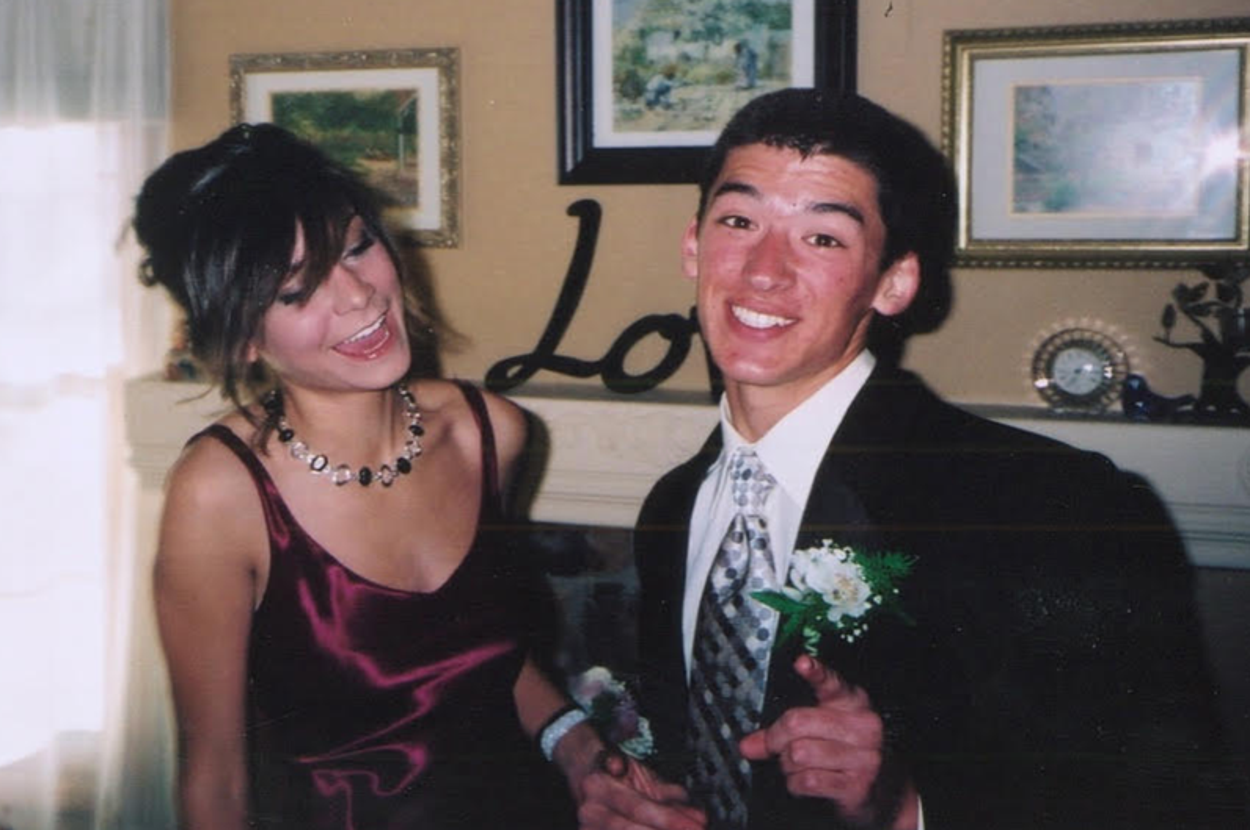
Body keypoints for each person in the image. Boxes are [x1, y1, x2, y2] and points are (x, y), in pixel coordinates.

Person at [578, 89, 1246, 829]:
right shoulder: (675, 507)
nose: (763, 270)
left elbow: (1168, 802)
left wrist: (908, 807)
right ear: (694, 246)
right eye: (739, 221)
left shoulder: (1054, 507)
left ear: (894, 282)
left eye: (822, 238)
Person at [135, 123, 618, 829]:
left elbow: (479, 661)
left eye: (357, 245)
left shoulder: (492, 434)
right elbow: (215, 783)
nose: (358, 295)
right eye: (297, 290)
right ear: (242, 339)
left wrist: (578, 749)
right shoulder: (219, 495)